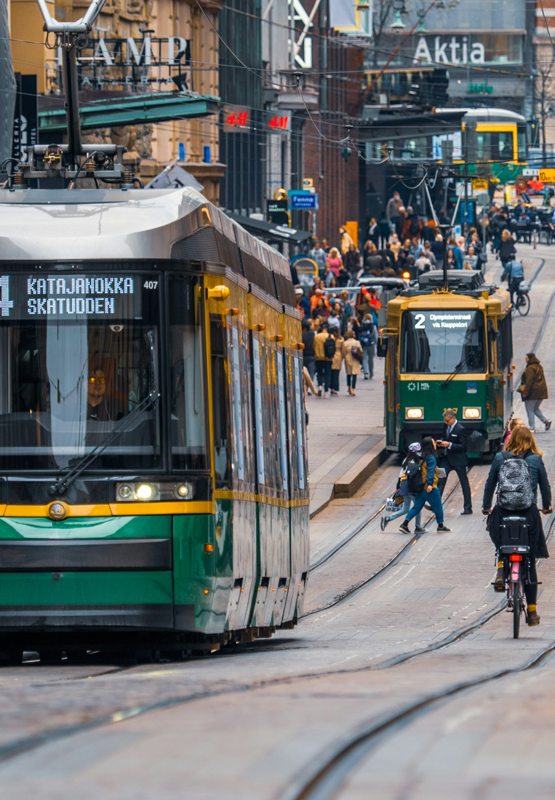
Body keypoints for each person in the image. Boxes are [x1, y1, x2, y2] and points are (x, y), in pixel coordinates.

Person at [482, 426, 551, 626]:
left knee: (499, 538)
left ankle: (502, 568)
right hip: (528, 514)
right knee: (529, 559)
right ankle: (532, 612)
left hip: (503, 512)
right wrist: (546, 506)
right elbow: (545, 487)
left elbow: (489, 484)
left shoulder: (500, 458)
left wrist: (487, 507)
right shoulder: (536, 460)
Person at [399, 437, 451, 534]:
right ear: (430, 445)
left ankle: (404, 524)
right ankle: (440, 526)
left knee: (417, 506)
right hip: (429, 487)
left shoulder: (422, 456)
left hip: (420, 486)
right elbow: (430, 472)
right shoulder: (431, 458)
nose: (435, 443)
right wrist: (430, 484)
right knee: (438, 506)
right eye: (433, 442)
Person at [381, 443, 426, 533]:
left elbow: (401, 474)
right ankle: (417, 526)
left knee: (406, 508)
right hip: (410, 486)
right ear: (416, 451)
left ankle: (388, 518)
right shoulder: (415, 461)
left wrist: (398, 487)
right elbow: (413, 475)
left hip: (404, 486)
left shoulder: (406, 460)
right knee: (418, 506)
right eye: (419, 450)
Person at [436, 409, 472, 515]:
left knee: (464, 482)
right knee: (441, 480)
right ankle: (436, 505)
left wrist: (450, 445)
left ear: (453, 418)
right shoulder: (446, 426)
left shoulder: (461, 429)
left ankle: (468, 507)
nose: (446, 423)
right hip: (447, 459)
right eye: (445, 421)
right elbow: (444, 436)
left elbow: (463, 446)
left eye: (447, 421)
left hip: (459, 460)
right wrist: (441, 441)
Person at [518, 352, 551, 432]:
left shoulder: (530, 368)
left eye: (526, 358)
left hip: (533, 393)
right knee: (535, 408)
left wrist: (525, 392)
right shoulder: (539, 367)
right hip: (541, 392)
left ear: (530, 358)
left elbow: (529, 381)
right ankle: (546, 421)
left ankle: (532, 428)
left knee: (530, 410)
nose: (525, 359)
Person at [314, 322, 334, 397]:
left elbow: (314, 346)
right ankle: (326, 390)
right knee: (327, 374)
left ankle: (320, 385)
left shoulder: (316, 336)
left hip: (318, 358)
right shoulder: (331, 336)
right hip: (328, 358)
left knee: (319, 372)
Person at [343, 330, 362, 396]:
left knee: (348, 374)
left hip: (348, 358)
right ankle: (353, 389)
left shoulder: (345, 343)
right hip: (355, 359)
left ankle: (349, 387)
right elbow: (360, 351)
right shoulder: (357, 342)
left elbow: (343, 352)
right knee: (354, 374)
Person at [359, 313, 377, 379]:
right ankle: (371, 373)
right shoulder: (373, 326)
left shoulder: (362, 326)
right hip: (371, 344)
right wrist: (377, 345)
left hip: (364, 344)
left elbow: (360, 335)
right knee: (371, 359)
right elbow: (376, 336)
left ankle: (366, 373)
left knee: (365, 358)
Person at [330, 329, 345, 396]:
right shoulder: (341, 339)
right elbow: (343, 350)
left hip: (331, 356)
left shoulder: (330, 338)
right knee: (336, 374)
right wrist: (342, 357)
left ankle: (331, 387)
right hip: (338, 356)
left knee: (330, 373)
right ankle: (335, 389)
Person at [302, 318, 316, 383]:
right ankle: (310, 386)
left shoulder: (303, 335)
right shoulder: (314, 334)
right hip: (312, 355)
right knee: (311, 371)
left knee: (305, 371)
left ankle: (306, 385)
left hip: (304, 355)